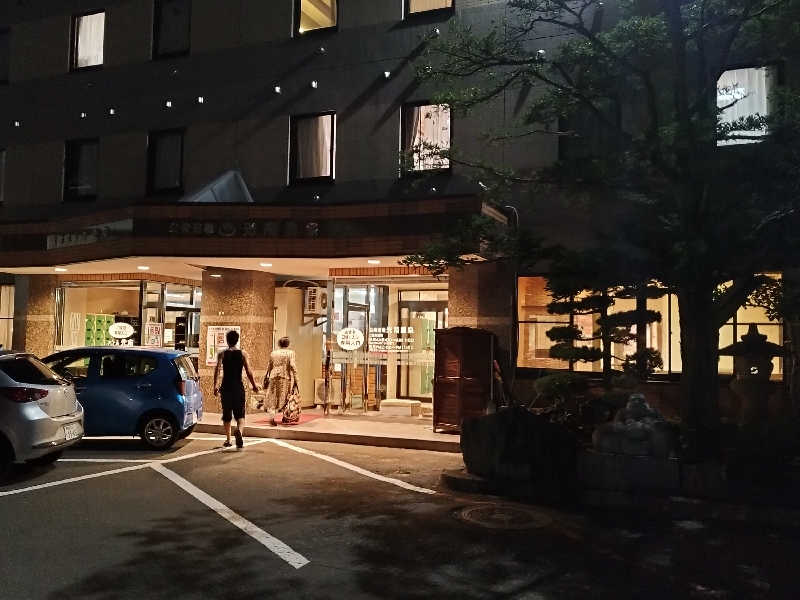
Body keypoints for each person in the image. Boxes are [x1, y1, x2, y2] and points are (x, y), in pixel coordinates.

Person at [213, 330, 258, 449]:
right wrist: (254, 385)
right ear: (237, 340)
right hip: (238, 387)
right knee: (240, 414)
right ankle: (239, 432)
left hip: (226, 387)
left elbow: (217, 370)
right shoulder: (243, 354)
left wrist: (215, 385)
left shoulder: (222, 354)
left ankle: (228, 440)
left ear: (227, 340)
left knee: (226, 414)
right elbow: (248, 371)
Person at [263, 337, 301, 426]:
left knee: (272, 398)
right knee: (285, 397)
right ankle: (285, 417)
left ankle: (271, 417)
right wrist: (296, 379)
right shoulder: (290, 353)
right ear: (288, 344)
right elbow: (292, 365)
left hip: (273, 377)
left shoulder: (273, 353)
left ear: (279, 344)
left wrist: (266, 376)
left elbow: (269, 366)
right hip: (285, 377)